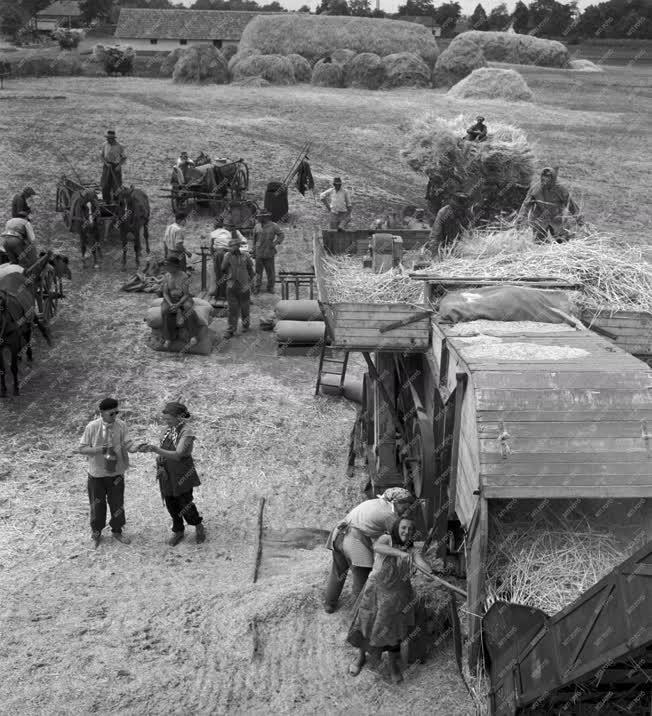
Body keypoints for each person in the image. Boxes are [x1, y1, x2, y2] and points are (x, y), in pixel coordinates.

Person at [347, 515, 436, 683]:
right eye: (403, 528)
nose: (407, 531)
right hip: (375, 593)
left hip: (398, 598)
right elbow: (377, 547)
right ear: (396, 528)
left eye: (410, 529)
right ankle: (360, 658)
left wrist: (430, 572)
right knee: (367, 625)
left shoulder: (413, 550)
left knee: (394, 632)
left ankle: (393, 665)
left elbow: (421, 563)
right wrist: (400, 554)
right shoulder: (386, 538)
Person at [324, 488, 416, 613]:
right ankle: (357, 616)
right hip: (353, 541)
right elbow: (400, 540)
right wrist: (410, 553)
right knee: (362, 579)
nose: (408, 510)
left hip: (339, 533)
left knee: (338, 571)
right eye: (405, 507)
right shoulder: (390, 515)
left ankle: (329, 604)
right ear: (396, 502)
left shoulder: (377, 502)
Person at [77, 397, 145, 547]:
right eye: (111, 414)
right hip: (97, 474)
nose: (115, 416)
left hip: (116, 473)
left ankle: (117, 530)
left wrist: (137, 448)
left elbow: (128, 444)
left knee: (117, 504)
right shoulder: (92, 427)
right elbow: (81, 449)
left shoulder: (121, 425)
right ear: (101, 413)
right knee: (97, 505)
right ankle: (96, 532)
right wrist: (100, 450)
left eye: (116, 412)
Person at [141, 402, 205, 547]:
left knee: (185, 503)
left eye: (168, 419)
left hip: (181, 473)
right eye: (165, 419)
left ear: (179, 418)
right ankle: (178, 531)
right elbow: (166, 449)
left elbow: (178, 454)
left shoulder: (186, 432)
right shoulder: (169, 430)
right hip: (167, 473)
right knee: (171, 503)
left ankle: (198, 525)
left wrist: (155, 449)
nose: (165, 422)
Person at [517, 167, 583, 243]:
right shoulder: (535, 189)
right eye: (544, 176)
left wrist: (580, 221)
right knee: (539, 244)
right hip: (540, 220)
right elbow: (526, 205)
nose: (545, 179)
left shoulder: (561, 190)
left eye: (548, 177)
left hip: (557, 220)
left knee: (562, 243)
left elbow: (572, 206)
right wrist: (520, 220)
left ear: (553, 178)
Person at [160, 255, 200, 349]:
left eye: (168, 265)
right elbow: (165, 293)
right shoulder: (167, 276)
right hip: (170, 299)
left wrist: (178, 305)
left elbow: (186, 294)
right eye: (165, 265)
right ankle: (168, 337)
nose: (166, 267)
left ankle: (193, 336)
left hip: (183, 298)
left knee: (188, 308)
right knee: (165, 310)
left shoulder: (184, 276)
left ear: (175, 266)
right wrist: (170, 304)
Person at [221, 234, 255, 339]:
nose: (231, 248)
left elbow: (250, 270)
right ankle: (231, 329)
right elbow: (223, 268)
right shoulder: (227, 256)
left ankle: (245, 325)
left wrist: (251, 282)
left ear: (238, 246)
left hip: (244, 285)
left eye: (233, 246)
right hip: (231, 285)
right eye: (230, 246)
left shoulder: (245, 255)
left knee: (245, 306)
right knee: (232, 308)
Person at [422, 193, 472, 257]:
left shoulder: (468, 213)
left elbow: (470, 233)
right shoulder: (444, 212)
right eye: (458, 208)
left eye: (462, 208)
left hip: (458, 244)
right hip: (443, 243)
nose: (460, 211)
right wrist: (435, 253)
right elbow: (435, 235)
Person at [210, 219, 247, 301]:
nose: (230, 228)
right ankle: (224, 294)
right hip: (225, 254)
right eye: (229, 226)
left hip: (223, 254)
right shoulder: (223, 232)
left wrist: (213, 256)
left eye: (232, 226)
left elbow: (211, 246)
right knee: (224, 274)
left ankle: (222, 294)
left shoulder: (216, 233)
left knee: (222, 274)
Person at [252, 210, 284, 294]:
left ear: (265, 217)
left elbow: (281, 235)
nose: (258, 218)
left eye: (259, 217)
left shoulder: (274, 226)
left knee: (270, 271)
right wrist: (253, 250)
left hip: (269, 252)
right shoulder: (257, 226)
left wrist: (275, 243)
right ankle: (257, 287)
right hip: (259, 252)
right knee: (258, 271)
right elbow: (254, 239)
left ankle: (270, 287)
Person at [100, 129, 126, 203]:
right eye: (107, 138)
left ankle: (116, 200)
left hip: (116, 167)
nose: (108, 140)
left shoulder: (119, 146)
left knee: (116, 184)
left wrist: (119, 166)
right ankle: (106, 200)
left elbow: (124, 157)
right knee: (105, 184)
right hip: (107, 166)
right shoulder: (104, 144)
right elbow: (101, 156)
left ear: (113, 139)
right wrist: (106, 163)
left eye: (110, 138)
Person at [79, 189, 101, 269]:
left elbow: (98, 211)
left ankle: (95, 260)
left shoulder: (94, 203)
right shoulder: (82, 204)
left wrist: (97, 219)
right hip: (85, 223)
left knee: (94, 240)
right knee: (83, 241)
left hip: (93, 223)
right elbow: (81, 212)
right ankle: (83, 257)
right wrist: (84, 220)